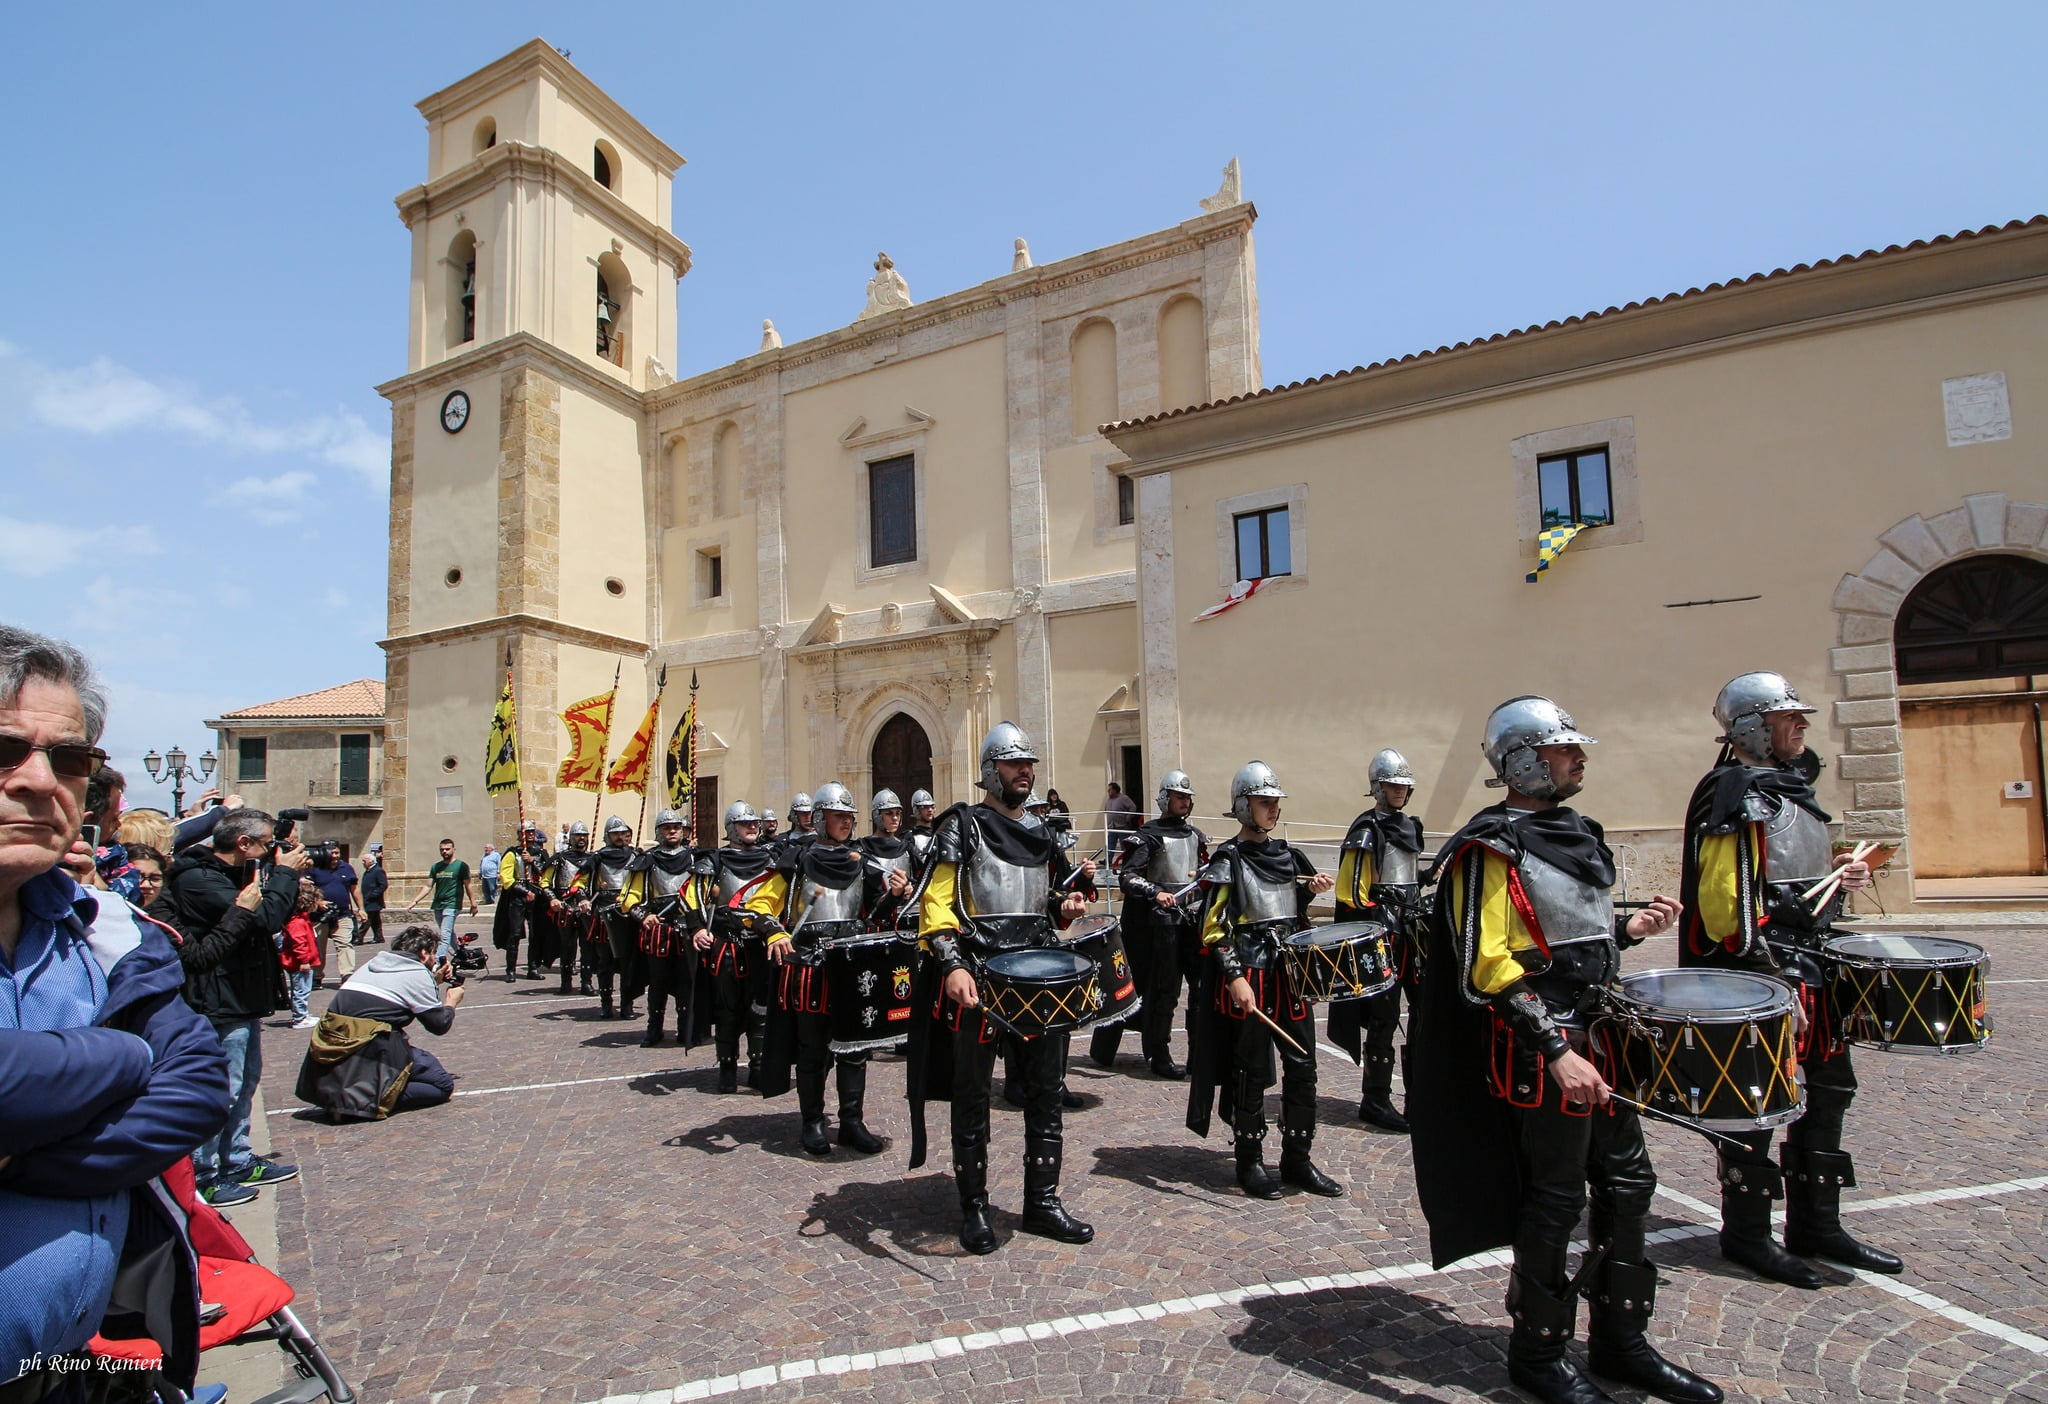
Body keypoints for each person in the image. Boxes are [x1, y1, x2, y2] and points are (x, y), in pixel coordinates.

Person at [1409, 696, 1719, 1404]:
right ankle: (1538, 1353)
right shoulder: (1489, 847)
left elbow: (1570, 934)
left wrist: (1629, 928)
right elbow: (1488, 965)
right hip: (1550, 1049)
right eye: (1563, 749)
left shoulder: (1577, 831)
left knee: (1631, 1185)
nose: (1580, 758)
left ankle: (1620, 1342)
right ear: (1523, 760)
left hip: (1603, 1034)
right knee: (1556, 1198)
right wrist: (1554, 1049)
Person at [0, 625, 232, 1404]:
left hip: (58, 1371)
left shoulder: (101, 932)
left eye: (70, 760)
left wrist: (23, 1164)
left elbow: (196, 1084)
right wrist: (124, 1060)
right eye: (3, 750)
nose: (39, 781)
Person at [1679, 671, 1892, 1289]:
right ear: (1752, 727)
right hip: (1762, 973)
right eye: (1788, 717)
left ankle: (1816, 1224)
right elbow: (1725, 910)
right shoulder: (1735, 791)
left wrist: (1840, 876)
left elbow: (1796, 881)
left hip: (1813, 964)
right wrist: (1782, 948)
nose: (1802, 724)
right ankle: (1746, 1234)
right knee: (1756, 1103)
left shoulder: (1792, 790)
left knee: (1829, 1089)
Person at [909, 721, 1098, 1255]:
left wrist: (1066, 908)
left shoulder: (1043, 834)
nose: (1025, 772)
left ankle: (1043, 1202)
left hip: (1039, 978)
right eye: (1015, 764)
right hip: (981, 976)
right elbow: (938, 903)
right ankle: (973, 1207)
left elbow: (1050, 904)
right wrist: (950, 964)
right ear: (991, 771)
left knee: (1046, 1093)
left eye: (1029, 764)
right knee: (972, 1097)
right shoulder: (960, 828)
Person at [1186, 762, 1344, 1201]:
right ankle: (1249, 1161)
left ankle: (1298, 1158)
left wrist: (1311, 889)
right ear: (1243, 806)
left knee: (1303, 1066)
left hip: (1288, 975)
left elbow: (1292, 906)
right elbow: (1214, 927)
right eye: (1264, 802)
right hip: (1250, 973)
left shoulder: (1289, 855)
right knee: (1249, 1072)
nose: (1273, 809)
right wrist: (1234, 976)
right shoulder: (1228, 859)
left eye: (1275, 803)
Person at [165, 806, 311, 1206]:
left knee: (245, 1082)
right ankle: (204, 1173)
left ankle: (237, 1159)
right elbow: (265, 919)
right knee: (222, 1088)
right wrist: (285, 873)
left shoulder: (235, 874)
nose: (271, 851)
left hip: (241, 994)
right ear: (243, 843)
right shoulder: (198, 879)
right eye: (266, 844)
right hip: (218, 998)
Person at [746, 783, 892, 1155]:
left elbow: (879, 908)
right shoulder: (796, 860)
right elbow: (758, 906)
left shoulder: (861, 862)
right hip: (811, 970)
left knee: (854, 1049)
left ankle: (851, 1123)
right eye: (838, 816)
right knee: (813, 1050)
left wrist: (898, 892)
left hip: (851, 966)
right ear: (821, 818)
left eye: (849, 817)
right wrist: (775, 931)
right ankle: (812, 1122)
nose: (845, 823)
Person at [1326, 748, 1425, 1133]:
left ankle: (1417, 1095)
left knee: (1419, 1015)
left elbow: (1410, 877)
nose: (1398, 791)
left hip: (1412, 930)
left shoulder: (1410, 826)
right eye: (1391, 785)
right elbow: (1351, 892)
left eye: (1403, 785)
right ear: (1377, 787)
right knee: (1384, 1019)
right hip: (1383, 934)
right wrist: (1379, 921)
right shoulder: (1366, 830)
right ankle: (1376, 1099)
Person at [1094, 769, 1208, 1080]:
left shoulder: (1196, 836)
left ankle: (1200, 1056)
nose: (1185, 801)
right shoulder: (1148, 836)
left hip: (1190, 921)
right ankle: (1159, 1052)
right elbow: (1128, 876)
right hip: (1158, 926)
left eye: (1188, 797)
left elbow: (1199, 871)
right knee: (1163, 989)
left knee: (1199, 988)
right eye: (1179, 796)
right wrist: (1155, 891)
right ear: (1165, 798)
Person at [315, 924, 467, 1113]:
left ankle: (356, 1089)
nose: (435, 959)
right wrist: (451, 1003)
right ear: (424, 953)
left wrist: (433, 981)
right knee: (441, 1084)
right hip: (370, 1046)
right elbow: (438, 1025)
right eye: (434, 954)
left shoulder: (373, 963)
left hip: (333, 1048)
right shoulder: (416, 972)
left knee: (421, 1064)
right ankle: (367, 1097)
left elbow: (396, 993)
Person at [701, 801, 777, 1090]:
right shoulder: (715, 861)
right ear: (731, 828)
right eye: (746, 823)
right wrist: (698, 928)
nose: (752, 827)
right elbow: (693, 896)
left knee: (761, 1006)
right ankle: (727, 1067)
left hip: (760, 944)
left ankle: (757, 1066)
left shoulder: (771, 858)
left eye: (755, 823)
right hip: (729, 945)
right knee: (728, 1008)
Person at [621, 810, 701, 1047]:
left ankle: (685, 1028)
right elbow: (628, 897)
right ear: (659, 831)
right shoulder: (648, 860)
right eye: (667, 827)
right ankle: (654, 1028)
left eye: (676, 826)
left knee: (687, 981)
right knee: (658, 981)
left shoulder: (695, 859)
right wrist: (642, 915)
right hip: (659, 931)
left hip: (687, 927)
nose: (672, 831)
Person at [578, 817, 644, 1019]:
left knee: (627, 961)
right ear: (608, 835)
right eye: (615, 833)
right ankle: (606, 1004)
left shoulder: (636, 856)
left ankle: (627, 1004)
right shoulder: (596, 858)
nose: (620, 837)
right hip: (603, 913)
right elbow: (579, 882)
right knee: (605, 961)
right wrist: (582, 899)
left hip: (628, 913)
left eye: (623, 833)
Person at [539, 822, 595, 994]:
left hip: (585, 907)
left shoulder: (593, 859)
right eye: (578, 836)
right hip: (565, 907)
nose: (581, 839)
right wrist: (552, 899)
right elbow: (544, 882)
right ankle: (566, 982)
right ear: (570, 838)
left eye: (584, 836)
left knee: (587, 946)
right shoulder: (560, 858)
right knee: (567, 946)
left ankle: (586, 982)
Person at [492, 822, 549, 981]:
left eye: (531, 831)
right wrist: (525, 891)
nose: (530, 834)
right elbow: (507, 879)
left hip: (537, 897)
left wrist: (532, 861)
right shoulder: (512, 853)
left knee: (535, 934)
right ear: (520, 834)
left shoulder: (541, 853)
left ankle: (533, 967)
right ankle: (510, 970)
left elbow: (546, 873)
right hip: (517, 897)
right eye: (526, 832)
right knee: (514, 934)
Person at [407, 837, 474, 963]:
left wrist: (473, 904)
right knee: (449, 933)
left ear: (453, 849)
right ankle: (461, 953)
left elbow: (468, 885)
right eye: (442, 849)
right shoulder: (436, 867)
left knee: (444, 934)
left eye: (447, 849)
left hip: (452, 904)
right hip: (438, 904)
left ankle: (438, 961)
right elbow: (428, 886)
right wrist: (415, 901)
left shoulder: (461, 866)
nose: (444, 852)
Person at [306, 842, 364, 977]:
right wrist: (318, 903)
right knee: (318, 947)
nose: (335, 856)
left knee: (345, 944)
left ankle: (347, 974)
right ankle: (317, 976)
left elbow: (355, 889)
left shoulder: (346, 868)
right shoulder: (314, 868)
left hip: (342, 914)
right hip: (318, 915)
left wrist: (361, 908)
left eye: (337, 853)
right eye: (332, 853)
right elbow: (307, 891)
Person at [281, 878, 323, 1029]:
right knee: (301, 989)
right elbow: (299, 943)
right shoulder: (297, 922)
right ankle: (299, 1017)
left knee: (302, 988)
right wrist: (304, 960)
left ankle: (302, 1013)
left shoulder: (301, 919)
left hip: (302, 961)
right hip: (299, 963)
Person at [357, 841, 389, 946]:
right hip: (368, 900)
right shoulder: (369, 871)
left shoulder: (378, 871)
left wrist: (373, 895)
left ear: (371, 861)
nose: (362, 863)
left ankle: (358, 937)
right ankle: (379, 937)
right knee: (375, 921)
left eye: (364, 861)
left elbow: (383, 885)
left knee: (367, 919)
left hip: (373, 901)